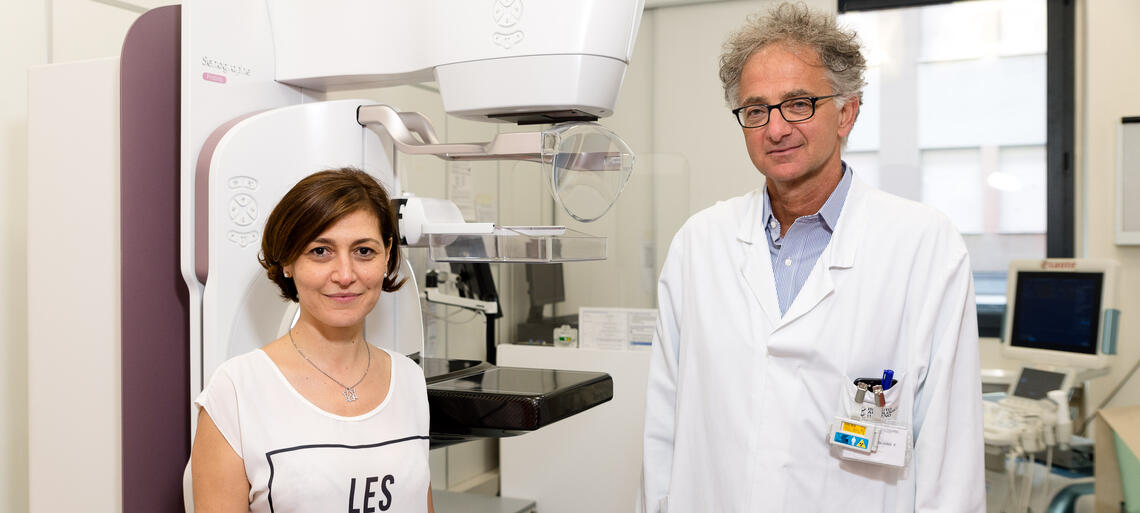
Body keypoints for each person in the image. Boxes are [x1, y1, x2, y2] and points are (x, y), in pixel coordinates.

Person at [639, 4, 984, 512]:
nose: (775, 129)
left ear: (847, 113)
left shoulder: (924, 245)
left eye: (798, 104)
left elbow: (951, 454)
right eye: (756, 110)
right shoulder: (699, 243)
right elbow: (663, 425)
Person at [191, 168, 435, 513]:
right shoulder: (235, 392)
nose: (345, 275)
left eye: (364, 251)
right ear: (288, 260)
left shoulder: (409, 379)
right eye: (320, 251)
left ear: (387, 255)